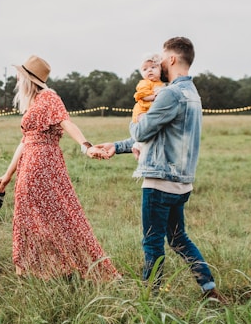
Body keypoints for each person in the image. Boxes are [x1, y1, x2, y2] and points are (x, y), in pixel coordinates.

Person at [94, 37, 227, 303]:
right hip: (181, 183)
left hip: (159, 181)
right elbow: (158, 136)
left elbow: (143, 130)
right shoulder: (192, 94)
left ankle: (149, 299)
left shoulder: (170, 93)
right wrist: (117, 146)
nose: (160, 64)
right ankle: (209, 290)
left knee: (152, 242)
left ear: (173, 59)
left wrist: (137, 119)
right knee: (179, 239)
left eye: (163, 59)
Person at [0, 55, 120, 281]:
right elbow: (24, 141)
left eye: (20, 76)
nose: (16, 79)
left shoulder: (49, 97)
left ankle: (61, 266)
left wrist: (86, 146)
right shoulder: (33, 103)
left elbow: (66, 122)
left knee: (58, 214)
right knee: (29, 215)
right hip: (29, 162)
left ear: (29, 79)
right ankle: (36, 269)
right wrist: (7, 175)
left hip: (43, 163)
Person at [131, 53, 165, 159]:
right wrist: (155, 96)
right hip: (142, 111)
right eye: (145, 69)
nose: (149, 70)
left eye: (153, 67)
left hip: (151, 111)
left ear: (160, 70)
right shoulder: (145, 83)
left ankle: (137, 146)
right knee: (146, 126)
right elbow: (142, 95)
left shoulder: (162, 84)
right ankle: (138, 147)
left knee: (152, 130)